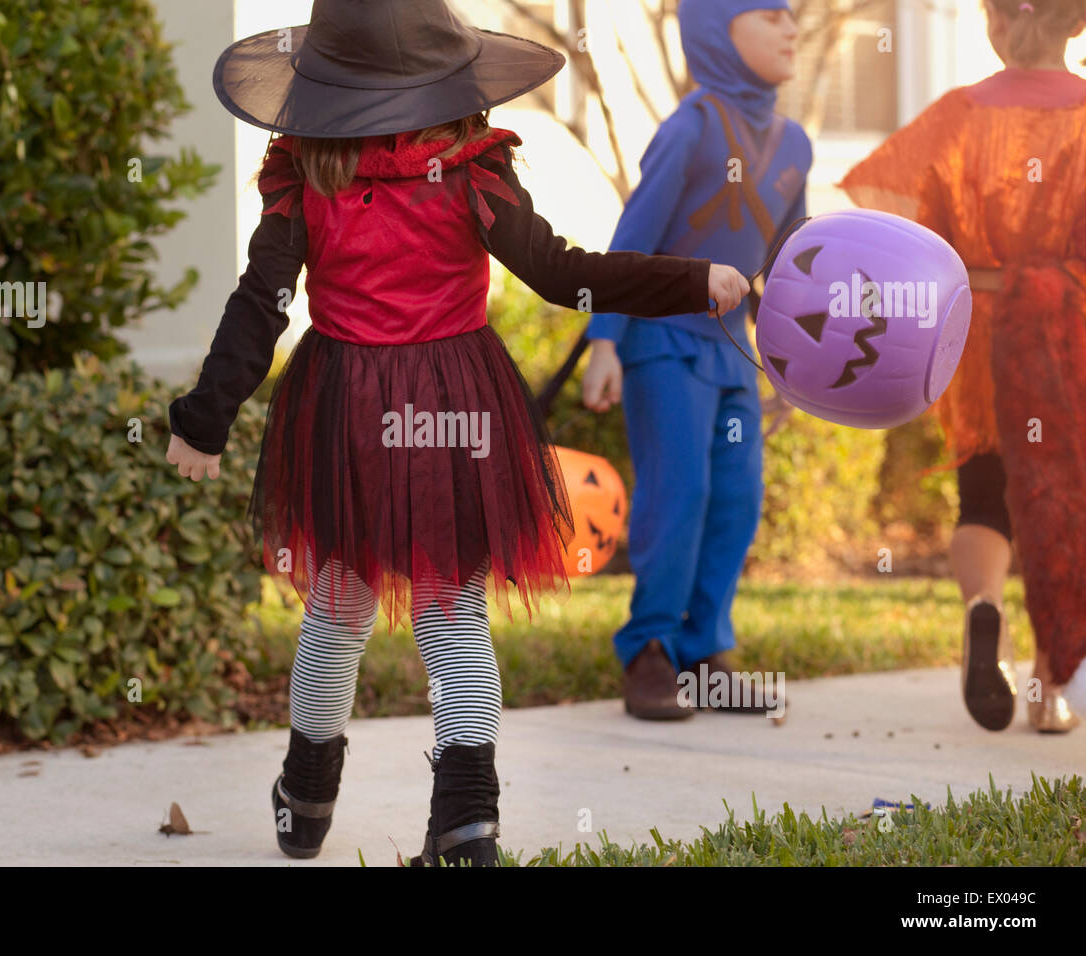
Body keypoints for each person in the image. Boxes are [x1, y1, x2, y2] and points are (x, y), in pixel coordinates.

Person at [165, 0, 751, 865]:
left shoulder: (304, 176)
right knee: (452, 613)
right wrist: (694, 279)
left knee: (337, 606)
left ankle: (308, 791)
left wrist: (202, 422)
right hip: (455, 408)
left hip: (345, 410)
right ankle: (469, 820)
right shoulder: (472, 171)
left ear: (324, 86)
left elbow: (263, 306)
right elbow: (562, 274)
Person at [840, 0, 1086, 733]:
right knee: (1062, 498)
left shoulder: (955, 113)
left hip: (977, 329)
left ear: (997, 23)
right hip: (1070, 332)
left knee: (984, 493)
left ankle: (986, 613)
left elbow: (895, 224)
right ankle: (1050, 688)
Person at [582, 0, 810, 720]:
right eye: (769, 14)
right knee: (676, 495)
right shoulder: (692, 127)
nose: (791, 28)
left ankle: (705, 654)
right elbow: (633, 240)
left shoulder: (796, 143)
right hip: (663, 343)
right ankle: (648, 651)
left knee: (735, 502)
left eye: (792, 15)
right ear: (716, 29)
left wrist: (800, 358)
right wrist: (604, 342)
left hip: (735, 353)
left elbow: (790, 265)